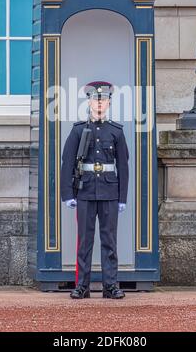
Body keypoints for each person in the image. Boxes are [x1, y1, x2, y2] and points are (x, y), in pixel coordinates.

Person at [61, 81, 129, 299]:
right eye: (96, 100)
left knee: (109, 240)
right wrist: (68, 194)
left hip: (109, 191)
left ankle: (110, 285)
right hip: (86, 191)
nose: (99, 104)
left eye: (103, 101)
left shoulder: (116, 132)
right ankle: (82, 285)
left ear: (108, 104)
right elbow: (67, 162)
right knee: (85, 241)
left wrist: (122, 197)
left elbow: (123, 166)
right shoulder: (79, 130)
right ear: (89, 102)